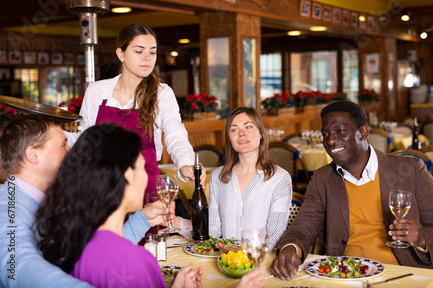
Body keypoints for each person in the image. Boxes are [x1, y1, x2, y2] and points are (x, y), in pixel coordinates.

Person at [270, 101, 433, 280]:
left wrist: (421, 237)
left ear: (363, 132)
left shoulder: (410, 170)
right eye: (325, 134)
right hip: (345, 275)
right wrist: (290, 249)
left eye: (340, 131)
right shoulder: (322, 179)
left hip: (404, 274)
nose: (330, 141)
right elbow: (304, 227)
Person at [36, 123, 203, 288]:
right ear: (128, 175)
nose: (146, 176)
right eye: (142, 166)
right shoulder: (138, 262)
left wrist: (144, 219)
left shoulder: (69, 241)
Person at [64, 24, 205, 203]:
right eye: (139, 51)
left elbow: (175, 134)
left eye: (152, 52)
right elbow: (85, 138)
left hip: (145, 186)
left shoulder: (162, 93)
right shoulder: (97, 91)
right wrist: (51, 134)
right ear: (120, 54)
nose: (147, 58)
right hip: (103, 185)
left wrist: (185, 164)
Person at [171, 107, 292, 250]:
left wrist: (243, 253)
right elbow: (213, 232)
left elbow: (276, 234)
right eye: (234, 130)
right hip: (225, 262)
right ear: (229, 139)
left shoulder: (279, 178)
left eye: (248, 127)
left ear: (260, 133)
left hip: (259, 264)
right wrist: (177, 223)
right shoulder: (218, 177)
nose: (241, 133)